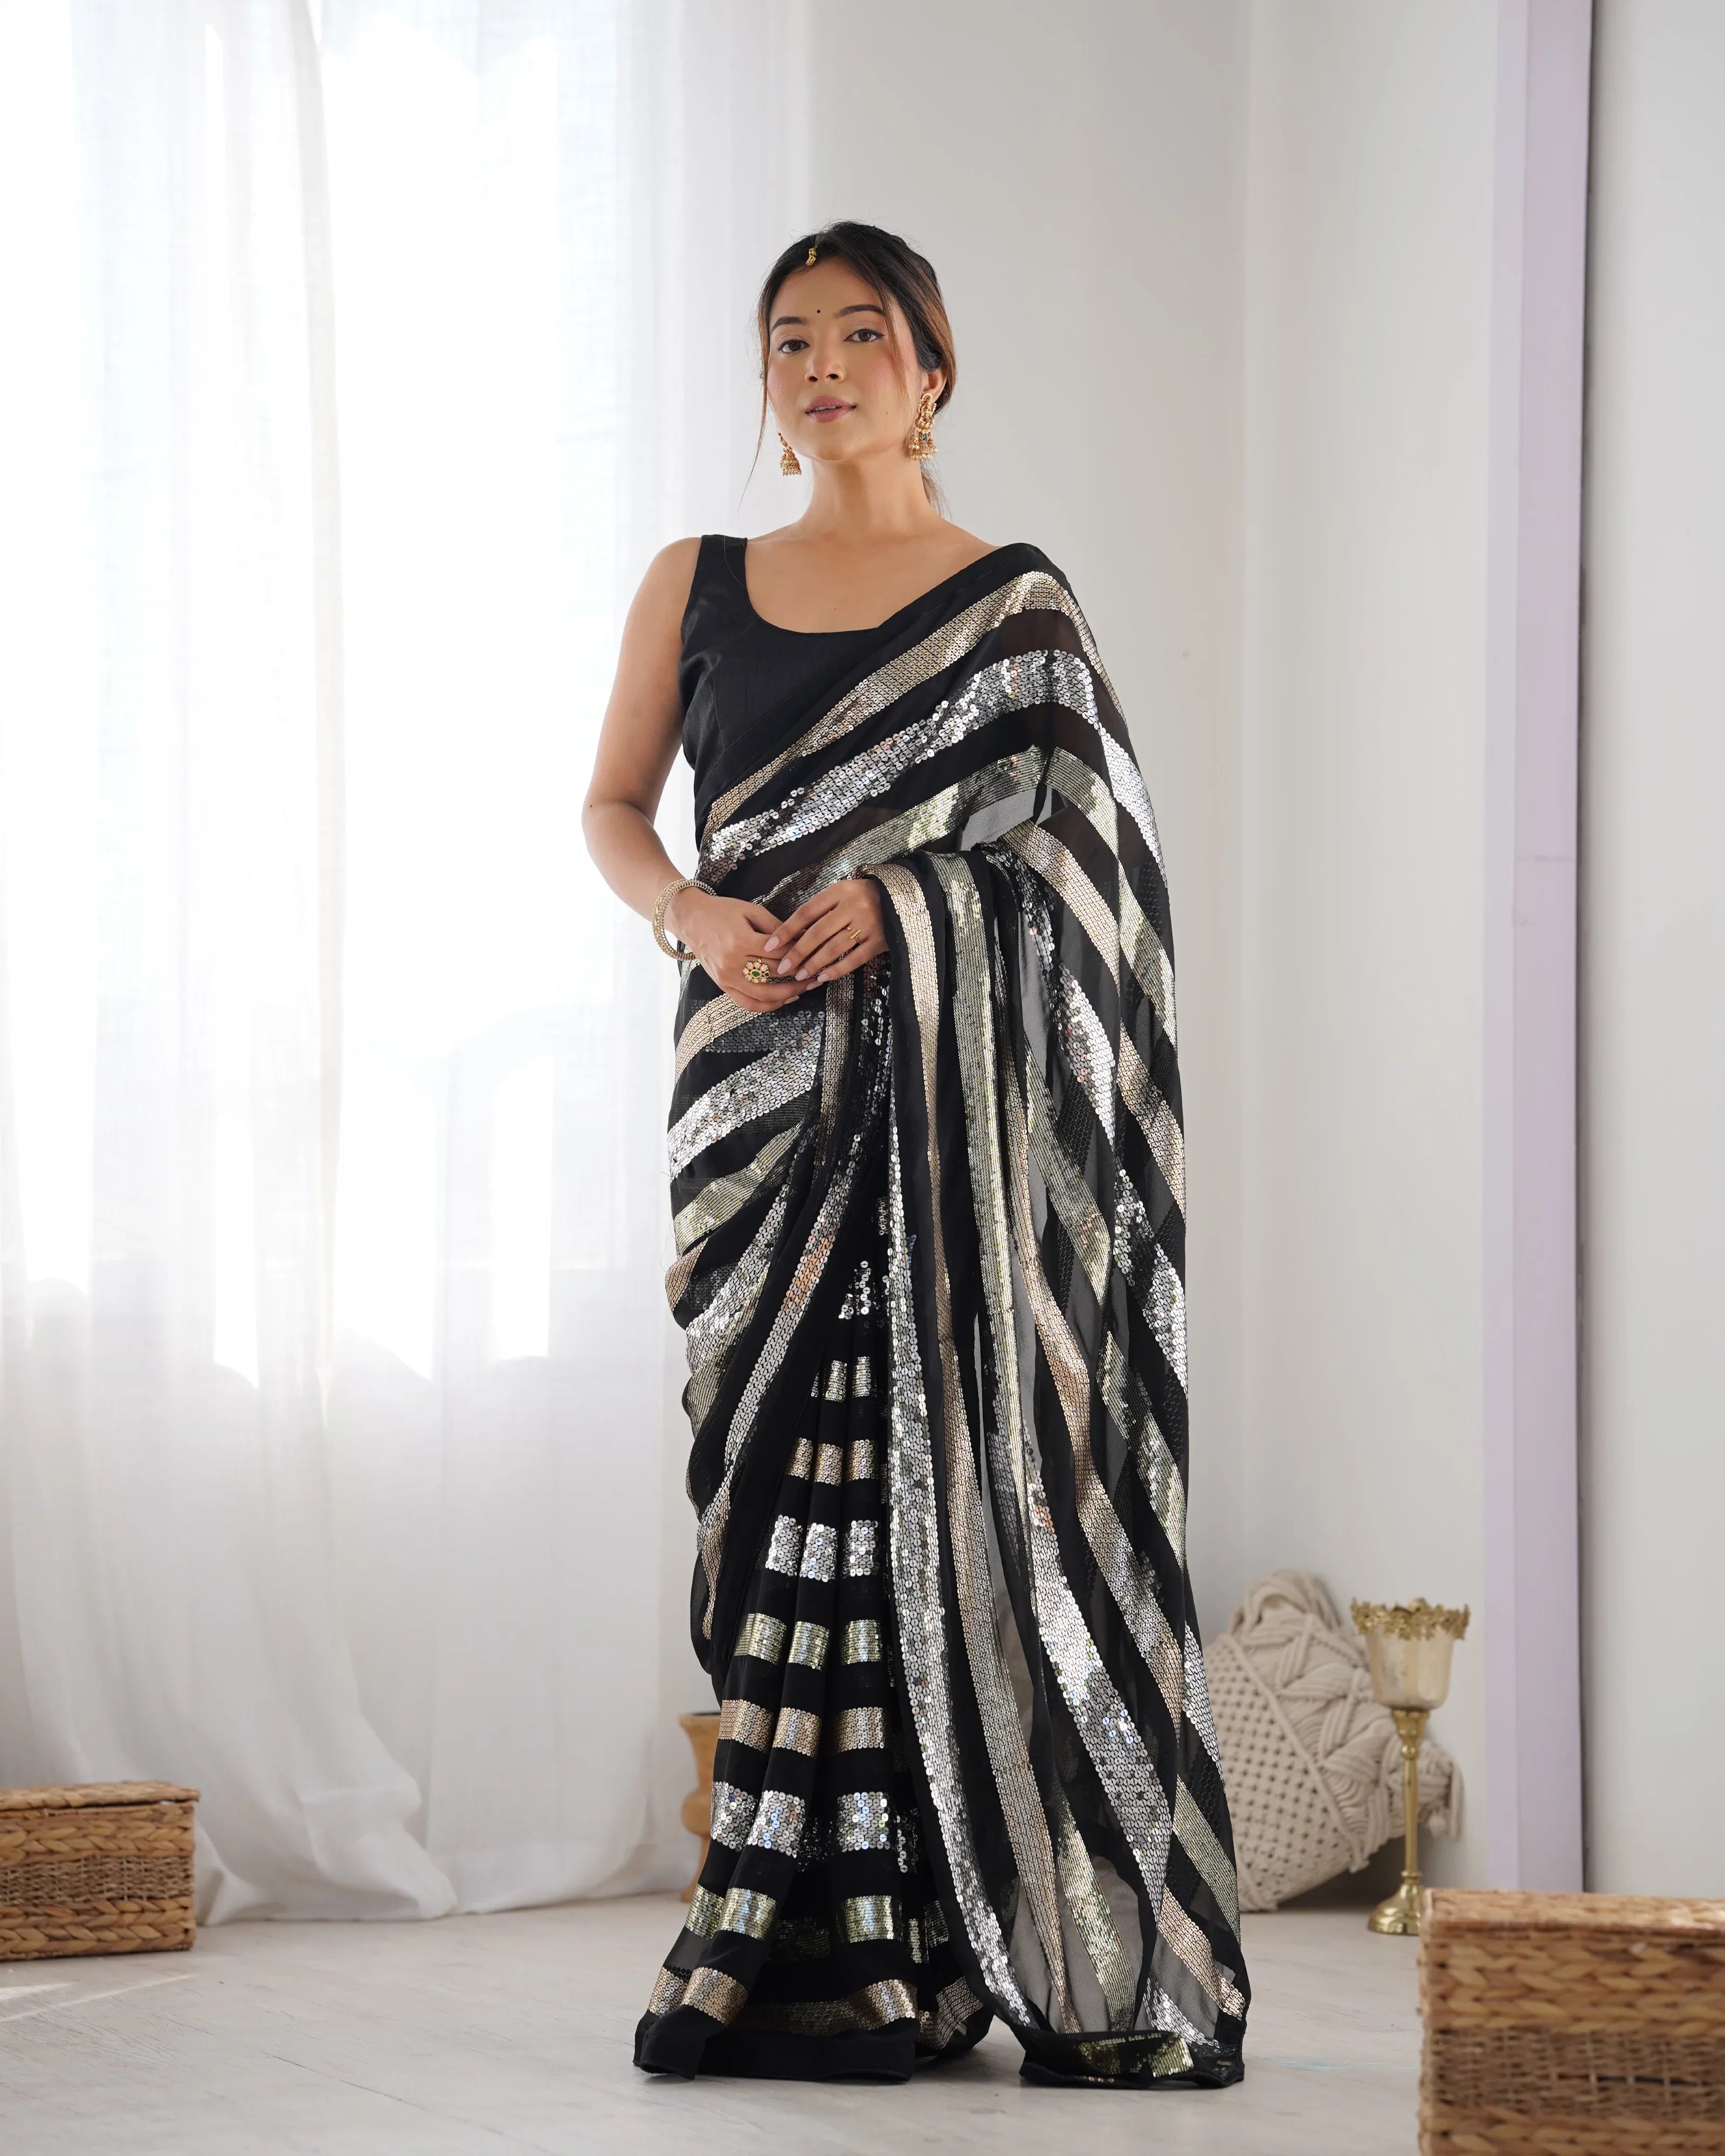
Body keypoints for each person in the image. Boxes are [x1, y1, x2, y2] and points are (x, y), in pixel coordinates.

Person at [582, 222, 1248, 2090]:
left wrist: (917, 903)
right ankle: (758, 1940)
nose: (819, 366)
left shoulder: (1013, 607)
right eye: (787, 339)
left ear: (930, 368)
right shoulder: (697, 580)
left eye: (859, 335)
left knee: (920, 1485)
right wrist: (693, 921)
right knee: (781, 1477)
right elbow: (616, 807)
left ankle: (909, 1947)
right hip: (752, 1094)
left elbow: (1094, 877)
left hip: (947, 1132)